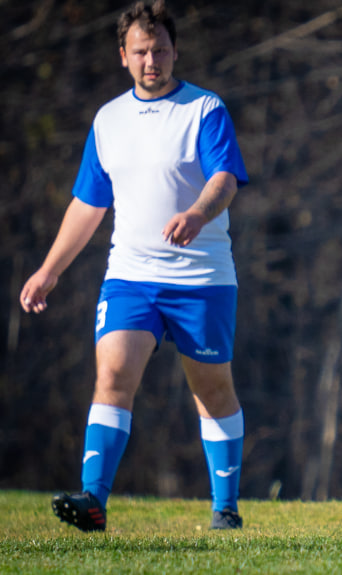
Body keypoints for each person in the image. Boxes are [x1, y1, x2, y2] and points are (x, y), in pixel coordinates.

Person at [19, 0, 248, 531]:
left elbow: (225, 180)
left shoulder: (204, 109)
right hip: (130, 276)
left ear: (175, 51)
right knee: (113, 374)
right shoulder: (108, 119)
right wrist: (50, 269)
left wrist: (196, 214)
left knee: (212, 391)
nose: (152, 61)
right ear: (123, 55)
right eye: (142, 51)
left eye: (161, 50)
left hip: (201, 280)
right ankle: (94, 501)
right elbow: (88, 203)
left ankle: (225, 508)